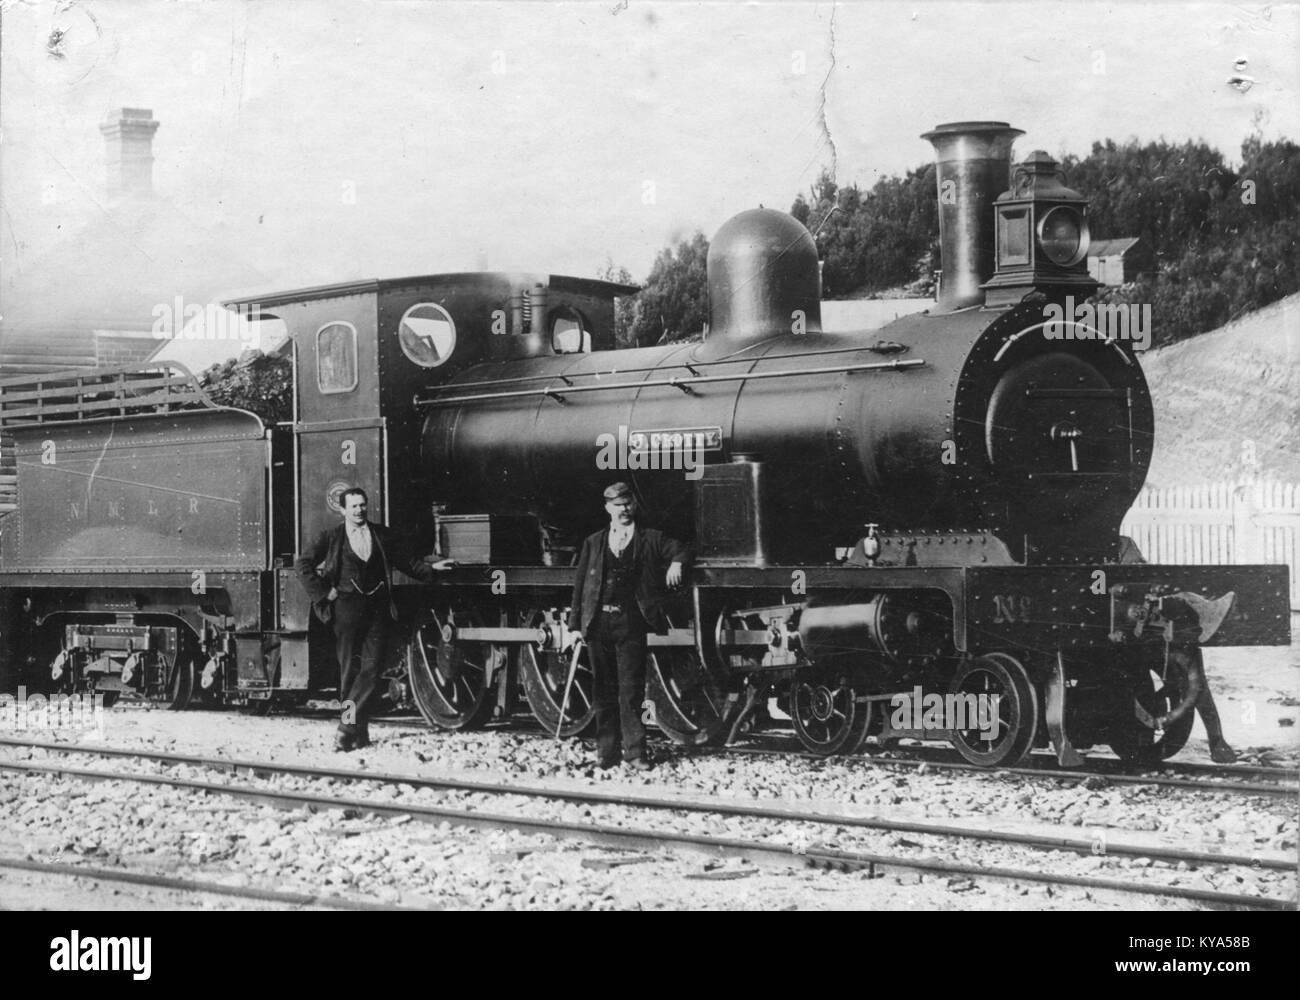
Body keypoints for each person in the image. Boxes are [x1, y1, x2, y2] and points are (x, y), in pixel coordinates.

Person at [296, 488, 453, 751]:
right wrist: (325, 592)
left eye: (363, 505)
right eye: (354, 506)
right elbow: (303, 565)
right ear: (343, 510)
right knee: (349, 674)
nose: (359, 510)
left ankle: (346, 728)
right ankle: (358, 732)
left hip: (377, 609)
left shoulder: (382, 534)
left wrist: (431, 569)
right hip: (345, 610)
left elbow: (407, 562)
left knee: (372, 669)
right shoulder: (332, 536)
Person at [569, 482, 688, 771]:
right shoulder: (593, 542)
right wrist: (575, 626)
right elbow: (581, 585)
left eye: (628, 503)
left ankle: (635, 753)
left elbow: (682, 548)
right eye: (617, 505)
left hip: (631, 623)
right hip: (598, 624)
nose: (624, 509)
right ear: (607, 508)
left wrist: (677, 563)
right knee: (602, 691)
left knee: (631, 691)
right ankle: (606, 753)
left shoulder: (651, 538)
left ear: (634, 505)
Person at [1117, 536, 1238, 763]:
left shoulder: (1122, 545)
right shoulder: (1119, 545)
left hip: (1140, 624)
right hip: (1126, 628)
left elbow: (1140, 575)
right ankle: (1216, 741)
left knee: (1192, 676)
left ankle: (1217, 740)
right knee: (1191, 675)